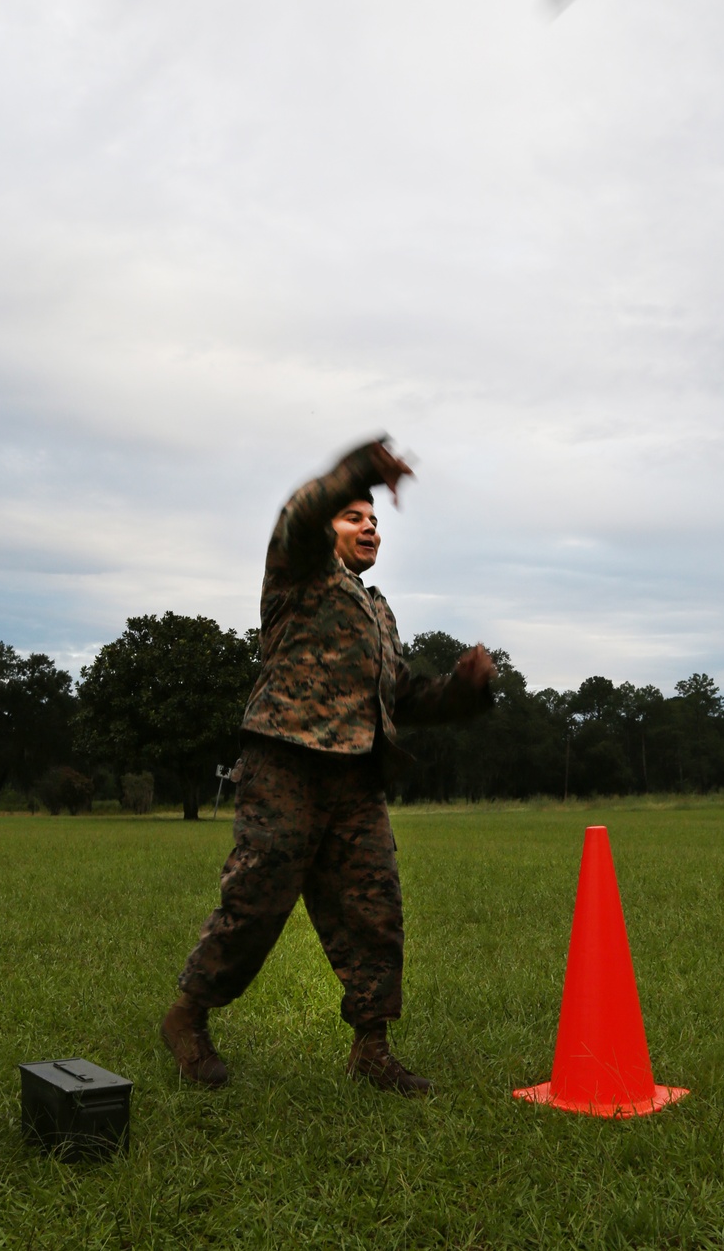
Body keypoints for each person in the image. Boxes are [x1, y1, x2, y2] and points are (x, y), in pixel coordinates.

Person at [161, 437, 495, 1094]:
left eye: (375, 519)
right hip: (285, 761)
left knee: (376, 911)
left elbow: (397, 695)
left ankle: (371, 1048)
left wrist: (463, 691)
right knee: (255, 900)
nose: (370, 524)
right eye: (354, 515)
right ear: (325, 528)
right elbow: (299, 511)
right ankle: (187, 1017)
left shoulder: (377, 610)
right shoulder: (297, 569)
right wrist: (364, 467)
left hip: (355, 777)